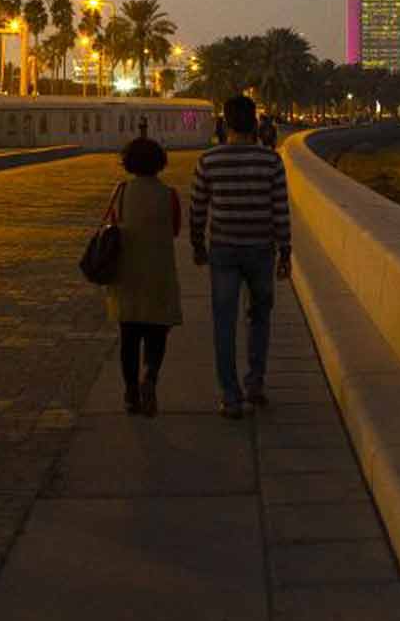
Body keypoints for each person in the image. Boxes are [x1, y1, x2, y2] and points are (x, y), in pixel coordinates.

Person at [188, 95, 292, 419]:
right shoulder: (271, 161)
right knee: (260, 318)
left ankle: (230, 396)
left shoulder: (209, 160)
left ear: (225, 124)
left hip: (223, 250)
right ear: (256, 122)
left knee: (224, 322)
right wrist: (285, 250)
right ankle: (256, 384)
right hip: (261, 249)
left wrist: (197, 245)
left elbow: (197, 209)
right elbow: (280, 210)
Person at [106, 126, 182, 416]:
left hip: (127, 273)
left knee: (128, 337)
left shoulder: (122, 193)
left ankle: (130, 393)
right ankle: (150, 376)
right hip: (159, 273)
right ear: (160, 163)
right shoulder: (170, 195)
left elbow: (115, 225)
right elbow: (175, 230)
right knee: (157, 334)